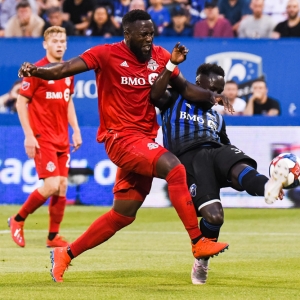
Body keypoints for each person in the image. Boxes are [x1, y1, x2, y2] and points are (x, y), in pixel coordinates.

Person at [18, 10, 230, 283]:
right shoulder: (106, 54)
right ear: (127, 34)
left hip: (143, 141)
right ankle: (197, 241)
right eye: (143, 34)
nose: (149, 39)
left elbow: (186, 88)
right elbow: (64, 68)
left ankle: (65, 255)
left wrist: (213, 97)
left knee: (122, 214)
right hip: (120, 138)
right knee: (175, 170)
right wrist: (37, 71)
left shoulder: (160, 56)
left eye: (151, 33)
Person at [150, 62, 288, 285]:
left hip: (215, 150)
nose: (214, 95)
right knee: (215, 217)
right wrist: (171, 65)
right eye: (210, 89)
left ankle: (267, 186)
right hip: (189, 158)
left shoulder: (218, 118)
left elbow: (226, 149)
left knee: (236, 163)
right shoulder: (174, 98)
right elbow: (154, 94)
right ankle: (202, 262)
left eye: (218, 91)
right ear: (198, 84)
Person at [8, 26, 82, 248]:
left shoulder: (68, 72)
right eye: (55, 41)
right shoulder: (36, 70)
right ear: (45, 44)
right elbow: (22, 102)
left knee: (61, 186)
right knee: (50, 185)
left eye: (62, 41)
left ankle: (52, 237)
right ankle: (18, 219)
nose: (59, 45)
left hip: (62, 138)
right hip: (43, 137)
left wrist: (76, 129)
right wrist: (28, 136)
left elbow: (68, 101)